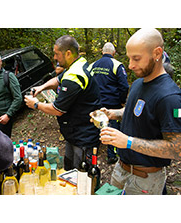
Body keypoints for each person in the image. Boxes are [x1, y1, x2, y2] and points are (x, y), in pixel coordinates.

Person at [98, 28, 181, 195]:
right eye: (129, 58)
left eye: (136, 59)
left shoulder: (170, 97)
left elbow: (176, 148)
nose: (130, 65)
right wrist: (113, 113)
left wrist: (128, 142)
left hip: (146, 179)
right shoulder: (138, 83)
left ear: (157, 53)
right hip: (121, 170)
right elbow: (136, 112)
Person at [24, 35, 102, 170]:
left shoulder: (74, 76)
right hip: (74, 132)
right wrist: (41, 87)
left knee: (81, 174)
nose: (54, 57)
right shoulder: (79, 63)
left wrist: (36, 104)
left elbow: (57, 109)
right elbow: (58, 79)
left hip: (83, 135)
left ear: (68, 53)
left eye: (56, 54)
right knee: (69, 167)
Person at [90, 42, 129, 164]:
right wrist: (122, 101)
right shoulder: (117, 65)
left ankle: (92, 153)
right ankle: (111, 155)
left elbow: (88, 84)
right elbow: (124, 86)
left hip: (97, 102)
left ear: (102, 52)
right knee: (113, 128)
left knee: (95, 126)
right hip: (112, 103)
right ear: (113, 53)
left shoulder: (92, 65)